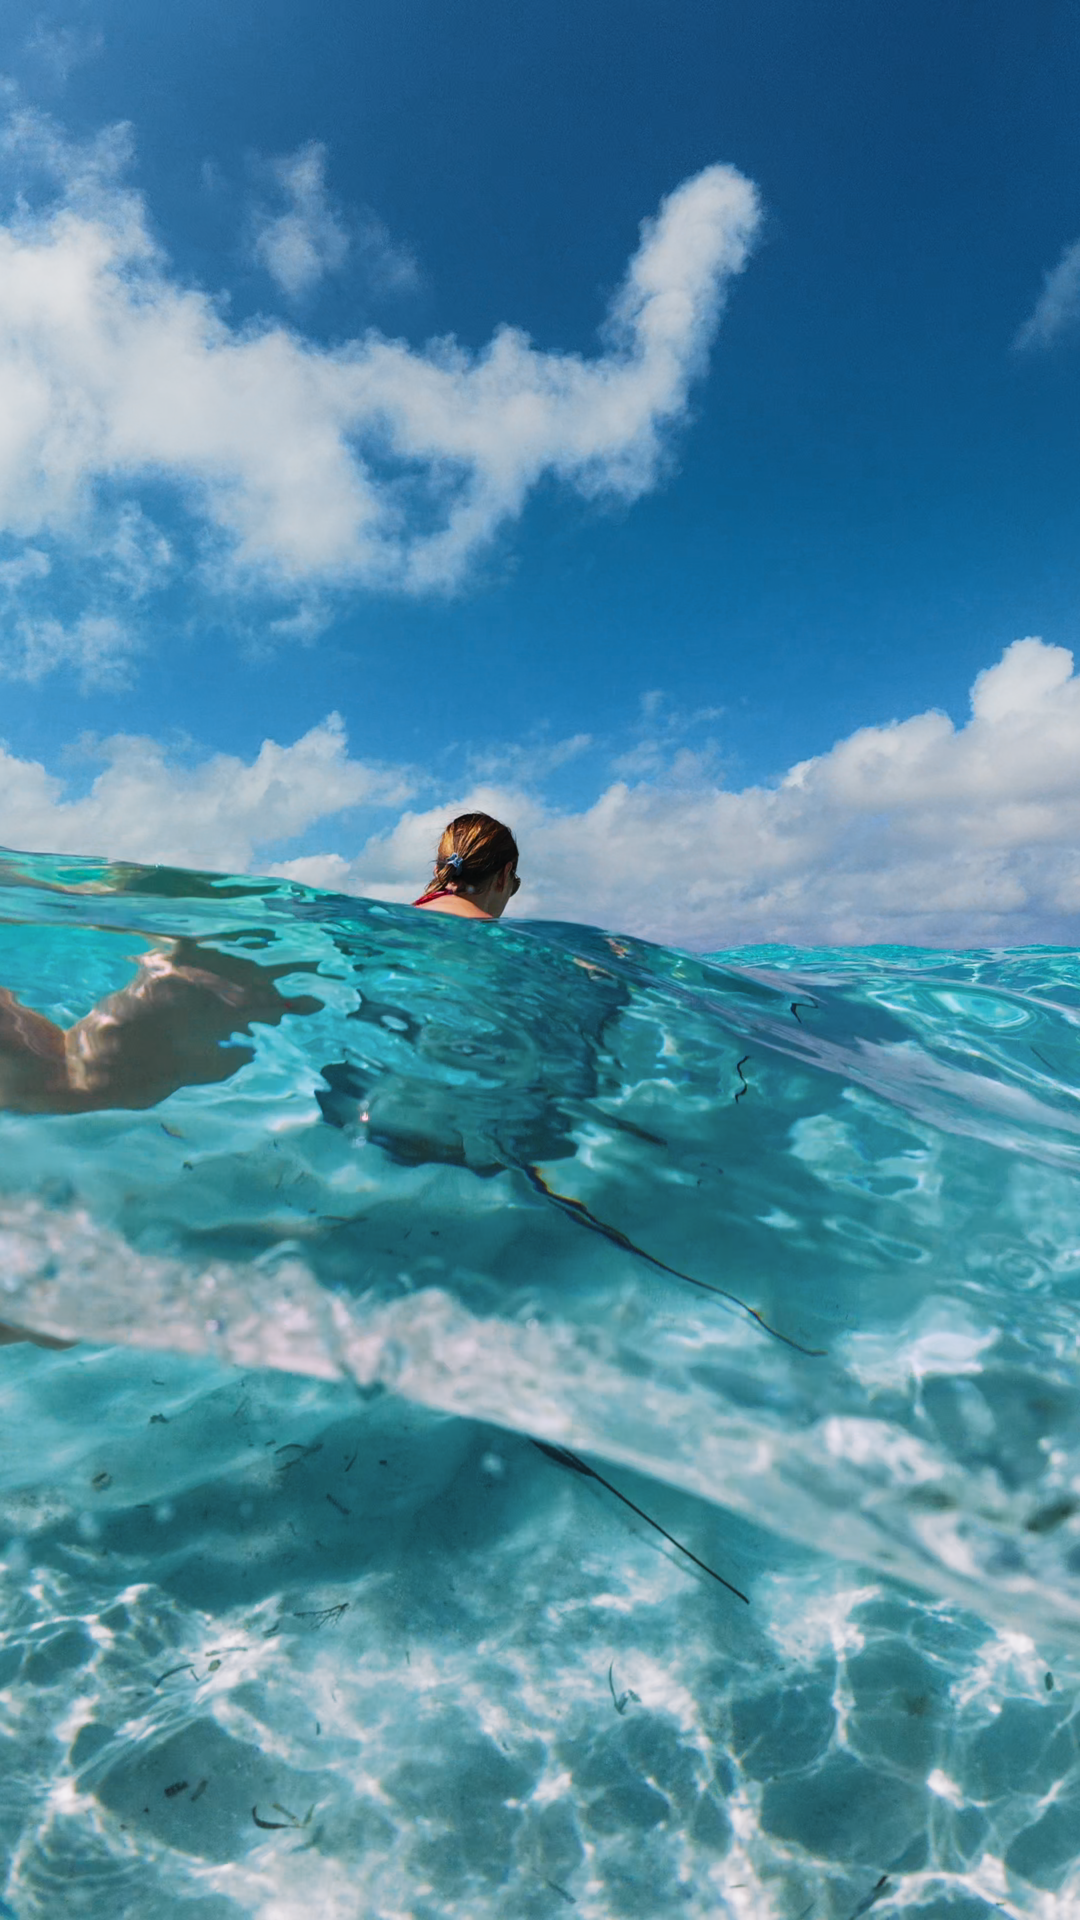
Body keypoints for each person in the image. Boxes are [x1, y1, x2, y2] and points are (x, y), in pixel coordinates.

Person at [413, 813, 520, 919]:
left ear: (437, 871)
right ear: (503, 876)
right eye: (514, 886)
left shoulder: (411, 915)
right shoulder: (487, 928)